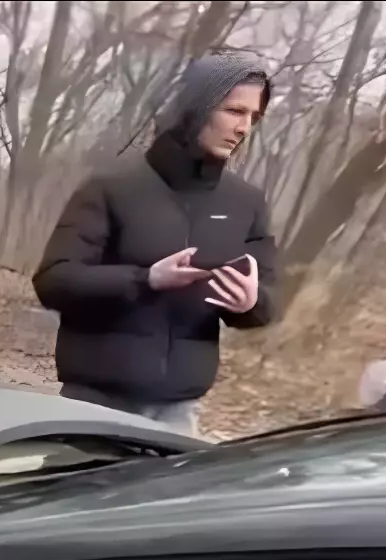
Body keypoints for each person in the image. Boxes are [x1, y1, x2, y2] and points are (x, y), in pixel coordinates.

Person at [33, 51, 279, 434]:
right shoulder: (111, 187)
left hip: (179, 412)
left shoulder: (245, 203)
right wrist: (144, 279)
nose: (245, 127)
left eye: (254, 117)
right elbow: (53, 281)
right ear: (196, 106)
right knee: (74, 494)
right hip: (96, 400)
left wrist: (249, 304)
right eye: (234, 111)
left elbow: (266, 302)